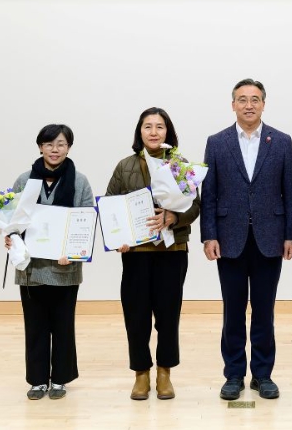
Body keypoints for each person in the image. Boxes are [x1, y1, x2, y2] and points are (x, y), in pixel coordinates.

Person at [200, 78, 292, 400]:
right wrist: (209, 235)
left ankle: (262, 374)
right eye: (242, 99)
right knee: (232, 311)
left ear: (263, 104)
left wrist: (290, 235)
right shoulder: (217, 142)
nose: (248, 105)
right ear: (233, 105)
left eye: (255, 99)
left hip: (270, 239)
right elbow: (209, 193)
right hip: (229, 239)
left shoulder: (281, 142)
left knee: (264, 311)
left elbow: (291, 192)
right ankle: (233, 374)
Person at [105, 107, 200, 401]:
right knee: (136, 316)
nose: (154, 132)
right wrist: (117, 238)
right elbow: (110, 206)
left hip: (172, 250)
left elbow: (196, 205)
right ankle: (141, 374)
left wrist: (174, 217)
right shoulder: (125, 166)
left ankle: (165, 373)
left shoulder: (179, 165)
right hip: (136, 253)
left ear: (168, 131)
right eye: (148, 126)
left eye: (160, 126)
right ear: (140, 132)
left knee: (168, 315)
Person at [7, 124, 94, 400]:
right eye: (49, 144)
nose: (55, 150)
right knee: (35, 325)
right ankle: (37, 380)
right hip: (31, 268)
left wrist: (75, 252)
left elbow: (86, 222)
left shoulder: (80, 181)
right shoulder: (24, 181)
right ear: (40, 147)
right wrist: (10, 238)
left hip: (65, 267)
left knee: (63, 324)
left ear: (69, 147)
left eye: (61, 144)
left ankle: (59, 379)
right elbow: (12, 221)